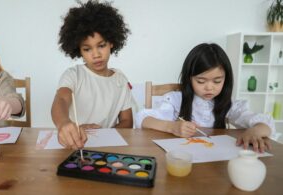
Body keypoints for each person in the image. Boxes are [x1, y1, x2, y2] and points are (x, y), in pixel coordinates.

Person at [135, 43, 275, 153]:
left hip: (215, 162)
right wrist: (172, 127)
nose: (209, 88)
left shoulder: (228, 104)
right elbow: (143, 118)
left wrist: (253, 131)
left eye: (217, 81)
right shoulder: (176, 100)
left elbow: (265, 124)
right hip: (182, 156)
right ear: (189, 79)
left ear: (226, 79)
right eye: (201, 81)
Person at [51, 0, 135, 149]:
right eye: (87, 49)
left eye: (101, 46)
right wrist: (64, 123)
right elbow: (62, 99)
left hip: (108, 148)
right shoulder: (73, 75)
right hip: (75, 145)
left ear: (111, 43)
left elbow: (127, 121)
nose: (96, 54)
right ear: (79, 50)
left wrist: (104, 134)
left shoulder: (121, 80)